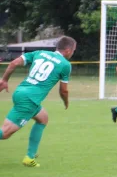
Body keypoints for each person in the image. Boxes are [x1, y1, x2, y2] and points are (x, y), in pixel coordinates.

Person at [0, 36, 76, 167]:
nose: (73, 53)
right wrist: (66, 102)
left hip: (20, 92)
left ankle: (30, 157)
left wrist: (5, 80)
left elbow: (13, 63)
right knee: (5, 134)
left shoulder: (40, 53)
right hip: (30, 100)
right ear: (68, 50)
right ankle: (29, 158)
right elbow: (63, 91)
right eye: (74, 50)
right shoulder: (65, 65)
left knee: (43, 118)